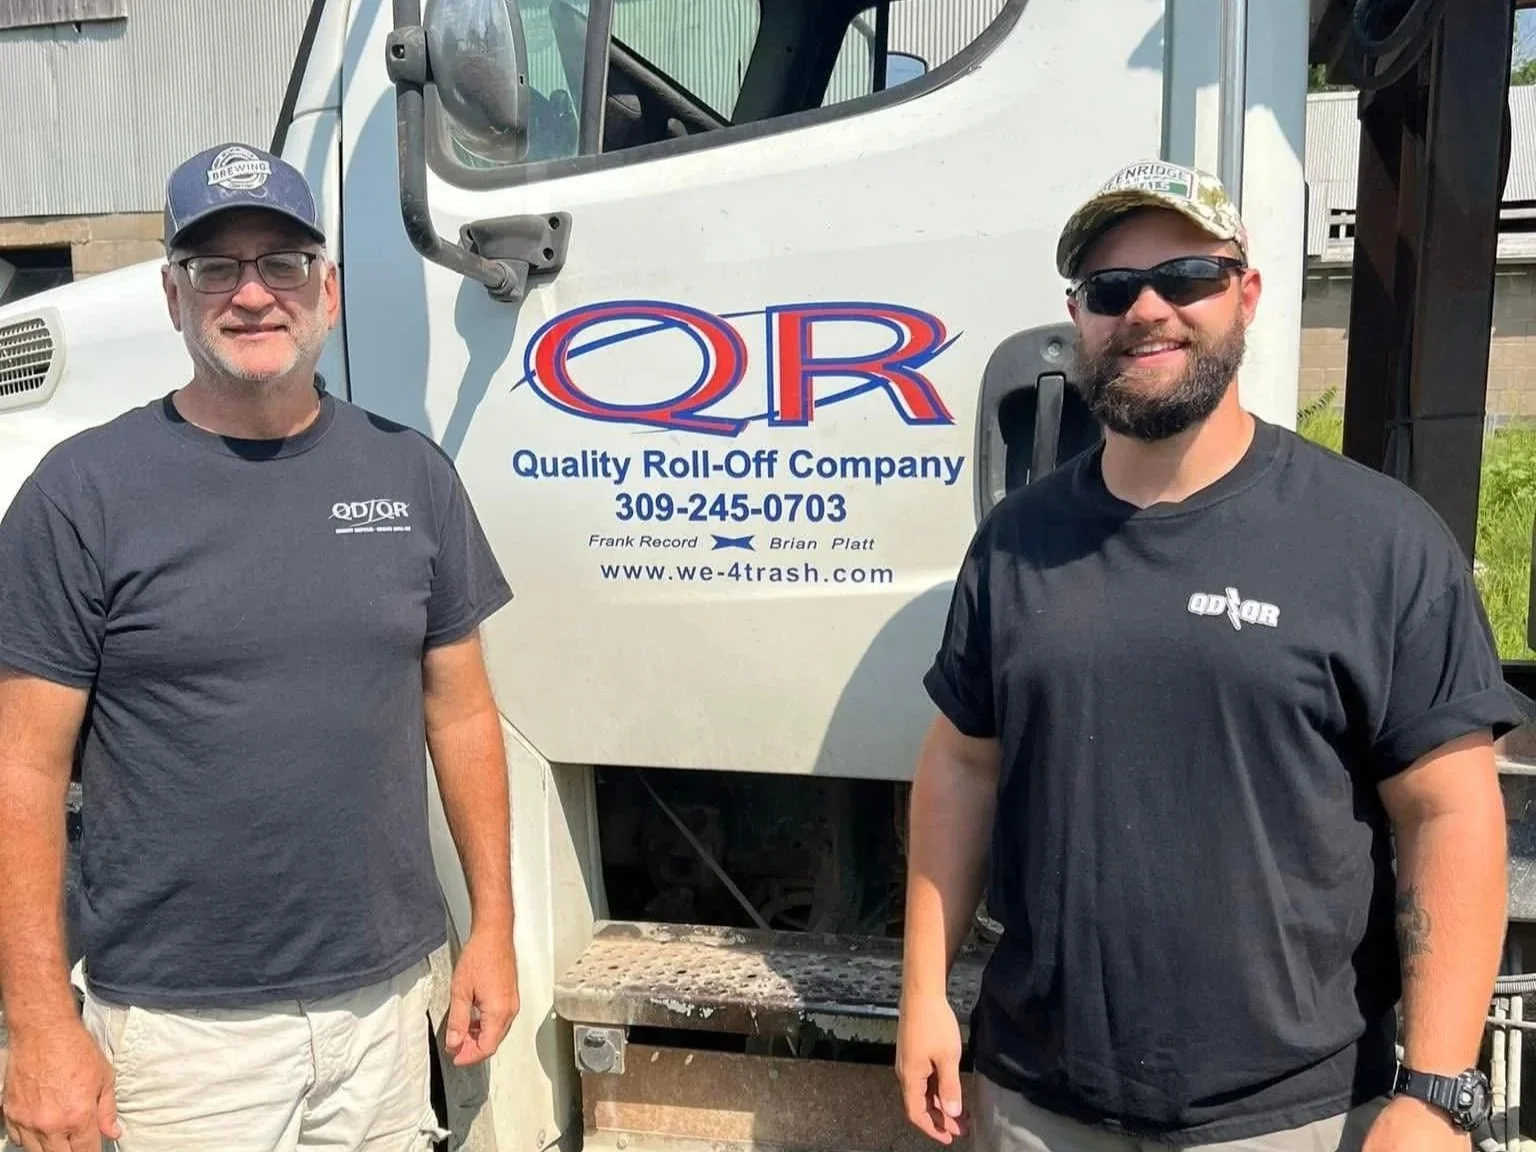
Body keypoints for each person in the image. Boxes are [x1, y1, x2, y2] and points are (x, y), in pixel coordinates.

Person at [895, 160, 1524, 1152]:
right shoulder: (1017, 541)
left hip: (1295, 1116)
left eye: (1186, 275)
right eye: (1112, 289)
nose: (1148, 308)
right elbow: (962, 765)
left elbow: (1450, 808)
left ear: (1248, 293)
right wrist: (924, 992)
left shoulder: (1376, 541)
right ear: (1080, 315)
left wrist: (1435, 1090)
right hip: (1033, 1102)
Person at [0, 142, 518, 1152]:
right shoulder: (83, 493)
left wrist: (492, 929)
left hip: (378, 1016)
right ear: (171, 295)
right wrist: (37, 1027)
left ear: (326, 288)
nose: (251, 295)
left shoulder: (411, 474)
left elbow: (460, 715)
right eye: (214, 268)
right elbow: (21, 769)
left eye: (280, 263)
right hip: (177, 1039)